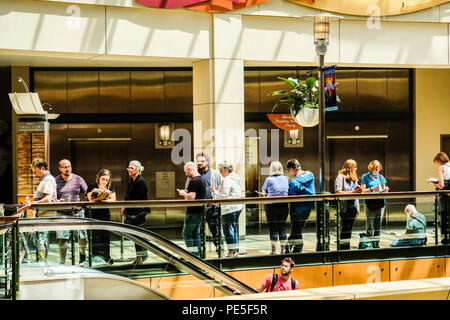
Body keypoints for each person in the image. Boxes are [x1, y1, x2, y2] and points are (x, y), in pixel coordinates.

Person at [17, 158, 57, 259]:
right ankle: (41, 260)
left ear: (42, 168)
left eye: (35, 171)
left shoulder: (47, 179)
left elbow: (48, 199)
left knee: (42, 241)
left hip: (46, 216)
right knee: (40, 240)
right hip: (42, 215)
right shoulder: (43, 180)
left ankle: (43, 262)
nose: (34, 174)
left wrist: (32, 203)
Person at [185, 152, 223, 256]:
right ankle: (200, 253)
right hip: (199, 209)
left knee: (215, 231)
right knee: (199, 232)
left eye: (202, 161)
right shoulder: (193, 175)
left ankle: (221, 251)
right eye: (198, 161)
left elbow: (221, 187)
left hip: (212, 207)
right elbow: (187, 189)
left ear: (208, 162)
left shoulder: (215, 173)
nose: (199, 163)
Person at [55, 159, 88, 265]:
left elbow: (87, 193)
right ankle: (62, 262)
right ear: (60, 168)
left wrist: (85, 203)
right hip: (62, 213)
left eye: (69, 166)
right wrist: (56, 201)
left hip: (77, 212)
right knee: (63, 238)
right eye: (65, 167)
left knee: (82, 236)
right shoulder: (55, 181)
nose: (67, 168)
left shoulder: (78, 179)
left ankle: (83, 256)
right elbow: (51, 197)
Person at [210, 161, 243, 257]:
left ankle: (231, 251)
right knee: (234, 229)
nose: (220, 172)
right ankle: (235, 250)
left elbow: (222, 195)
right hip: (237, 207)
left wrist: (215, 191)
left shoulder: (227, 179)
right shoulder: (236, 178)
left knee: (228, 230)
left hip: (229, 208)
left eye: (221, 170)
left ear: (226, 170)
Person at [121, 160, 150, 264]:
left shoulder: (140, 181)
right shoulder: (132, 180)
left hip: (138, 213)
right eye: (128, 167)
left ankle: (141, 257)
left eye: (131, 168)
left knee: (137, 236)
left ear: (137, 169)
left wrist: (126, 207)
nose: (128, 169)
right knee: (136, 236)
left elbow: (137, 199)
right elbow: (128, 195)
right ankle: (142, 256)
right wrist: (124, 206)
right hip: (133, 212)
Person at [87, 169, 116, 265]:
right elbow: (90, 199)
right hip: (93, 213)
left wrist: (100, 200)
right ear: (98, 177)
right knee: (94, 236)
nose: (105, 181)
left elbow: (113, 200)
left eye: (107, 180)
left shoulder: (110, 187)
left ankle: (106, 256)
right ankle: (95, 256)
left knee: (105, 235)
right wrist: (103, 195)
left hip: (105, 213)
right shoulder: (92, 186)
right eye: (103, 179)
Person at [286, 159, 316, 253]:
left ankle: (296, 248)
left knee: (296, 229)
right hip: (308, 207)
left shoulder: (293, 182)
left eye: (289, 170)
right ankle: (290, 247)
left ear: (291, 169)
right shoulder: (310, 175)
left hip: (297, 209)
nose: (290, 173)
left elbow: (291, 196)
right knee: (298, 229)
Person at [178, 161, 207, 257]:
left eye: (186, 172)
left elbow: (192, 196)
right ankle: (197, 254)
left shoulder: (194, 181)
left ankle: (192, 254)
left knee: (186, 234)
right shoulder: (201, 179)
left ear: (190, 169)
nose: (186, 174)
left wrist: (183, 193)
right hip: (199, 211)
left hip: (193, 212)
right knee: (195, 233)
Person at [360, 160, 390, 248]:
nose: (376, 171)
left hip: (380, 203)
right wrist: (372, 188)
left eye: (378, 169)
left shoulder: (381, 177)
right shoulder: (365, 176)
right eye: (375, 169)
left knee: (378, 225)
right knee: (370, 225)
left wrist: (386, 190)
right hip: (369, 203)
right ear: (371, 168)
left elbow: (384, 190)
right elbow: (362, 191)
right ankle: (368, 245)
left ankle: (376, 244)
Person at [261, 161, 289, 254]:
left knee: (273, 228)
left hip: (271, 206)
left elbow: (264, 192)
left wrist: (267, 194)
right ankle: (283, 249)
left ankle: (273, 250)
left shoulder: (269, 179)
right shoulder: (286, 178)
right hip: (284, 205)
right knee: (282, 227)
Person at [334, 159, 362, 250]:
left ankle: (347, 247)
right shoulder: (340, 177)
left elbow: (356, 190)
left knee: (349, 228)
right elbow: (337, 192)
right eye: (355, 167)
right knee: (345, 228)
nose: (356, 169)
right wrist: (352, 192)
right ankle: (343, 248)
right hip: (345, 207)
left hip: (353, 206)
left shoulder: (354, 178)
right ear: (350, 167)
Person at [234, 258, 299, 294]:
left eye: (286, 266)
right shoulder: (272, 277)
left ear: (291, 269)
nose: (283, 267)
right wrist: (241, 291)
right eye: (282, 265)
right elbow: (258, 290)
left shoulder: (294, 283)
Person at [429, 152, 450, 244]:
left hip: (445, 196)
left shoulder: (441, 168)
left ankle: (445, 238)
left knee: (444, 215)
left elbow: (441, 185)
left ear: (439, 160)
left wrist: (433, 182)